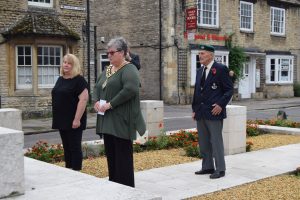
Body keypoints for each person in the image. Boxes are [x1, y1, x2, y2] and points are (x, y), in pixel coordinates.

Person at [92, 37, 146, 187]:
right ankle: (114, 186)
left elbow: (130, 89)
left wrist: (110, 104)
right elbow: (97, 87)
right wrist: (96, 101)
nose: (108, 56)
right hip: (107, 120)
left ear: (122, 53)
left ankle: (126, 189)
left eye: (112, 53)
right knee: (112, 157)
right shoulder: (108, 69)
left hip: (122, 120)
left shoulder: (129, 69)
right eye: (107, 53)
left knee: (123, 159)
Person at [192, 44, 233, 179]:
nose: (200, 55)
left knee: (216, 142)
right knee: (203, 142)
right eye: (199, 53)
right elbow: (197, 92)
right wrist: (194, 109)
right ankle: (208, 167)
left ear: (211, 55)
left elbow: (229, 90)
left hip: (214, 112)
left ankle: (220, 169)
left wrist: (221, 104)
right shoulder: (199, 71)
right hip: (201, 112)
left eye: (202, 53)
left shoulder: (221, 69)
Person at [52, 53, 89, 171]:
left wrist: (77, 119)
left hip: (74, 120)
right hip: (61, 119)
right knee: (66, 147)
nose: (66, 65)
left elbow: (83, 100)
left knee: (74, 147)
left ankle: (76, 171)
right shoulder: (60, 79)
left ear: (74, 65)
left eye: (69, 63)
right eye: (64, 62)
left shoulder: (79, 80)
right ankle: (68, 170)